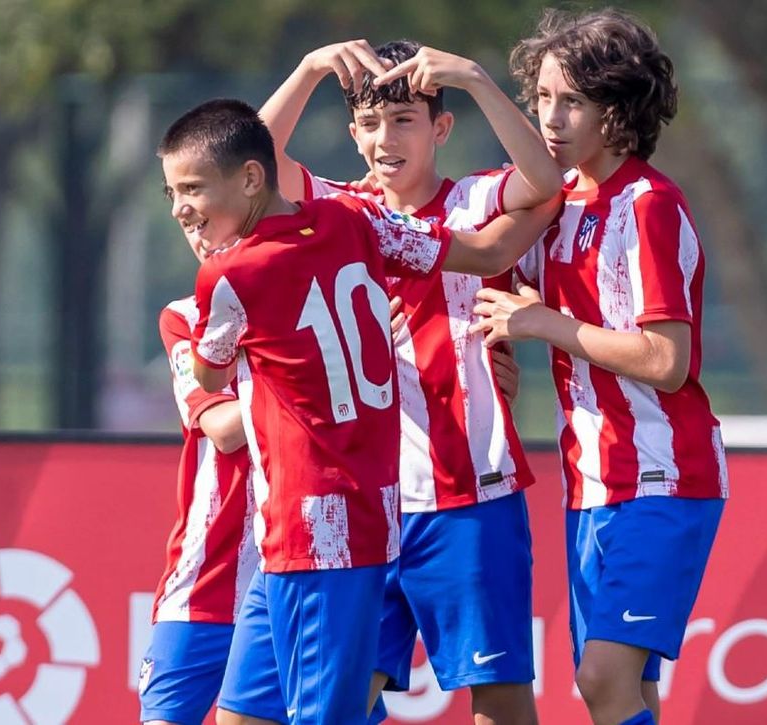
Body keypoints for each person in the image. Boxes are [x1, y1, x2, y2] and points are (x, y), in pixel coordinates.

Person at [159, 98, 546, 725]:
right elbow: (478, 254)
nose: (180, 208)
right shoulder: (353, 220)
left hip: (331, 525)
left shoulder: (233, 272)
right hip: (313, 527)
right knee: (246, 715)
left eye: (192, 189)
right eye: (174, 191)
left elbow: (210, 373)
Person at [259, 39, 562, 725]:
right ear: (352, 133)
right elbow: (253, 162)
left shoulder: (477, 198)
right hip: (366, 506)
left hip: (471, 491)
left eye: (403, 120)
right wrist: (308, 67)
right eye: (370, 123)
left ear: (440, 128)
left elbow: (544, 180)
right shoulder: (335, 210)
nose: (383, 139)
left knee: (502, 699)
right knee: (344, 697)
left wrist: (477, 76)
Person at [471, 10, 729, 725]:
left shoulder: (650, 205)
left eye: (571, 101)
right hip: (590, 484)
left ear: (620, 112)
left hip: (662, 475)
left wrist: (544, 322)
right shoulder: (557, 204)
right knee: (628, 692)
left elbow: (667, 361)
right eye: (542, 98)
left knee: (601, 679)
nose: (549, 118)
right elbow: (482, 268)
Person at [137, 221, 265, 725]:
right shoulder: (184, 317)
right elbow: (224, 428)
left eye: (209, 210)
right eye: (187, 218)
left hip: (302, 572)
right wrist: (310, 368)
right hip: (204, 581)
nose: (199, 230)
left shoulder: (315, 299)